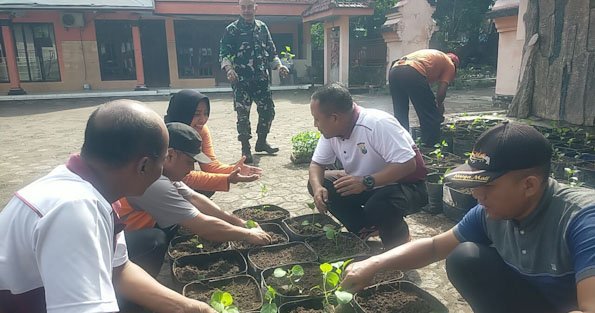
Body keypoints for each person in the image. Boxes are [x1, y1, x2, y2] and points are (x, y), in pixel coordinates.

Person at [341, 121, 595, 313]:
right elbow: (433, 248)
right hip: (536, 299)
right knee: (465, 258)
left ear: (528, 185)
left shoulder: (583, 220)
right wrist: (373, 264)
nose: (476, 195)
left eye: (488, 185)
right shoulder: (491, 212)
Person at [0, 100, 214, 313]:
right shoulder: (74, 210)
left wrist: (187, 306)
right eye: (163, 159)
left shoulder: (93, 190)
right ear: (144, 166)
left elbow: (119, 270)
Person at [117, 122, 272, 275]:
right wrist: (248, 235)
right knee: (155, 240)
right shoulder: (153, 182)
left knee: (174, 220)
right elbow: (203, 227)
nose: (191, 169)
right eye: (189, 162)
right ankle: (129, 285)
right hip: (113, 240)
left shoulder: (162, 171)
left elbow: (195, 198)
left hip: (133, 227)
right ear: (170, 155)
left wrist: (241, 223)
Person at [308, 83, 429, 249]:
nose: (315, 125)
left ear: (334, 118)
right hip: (368, 184)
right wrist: (317, 188)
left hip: (406, 185)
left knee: (380, 206)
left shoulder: (377, 123)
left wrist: (365, 182)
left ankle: (399, 242)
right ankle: (365, 228)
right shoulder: (332, 132)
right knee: (323, 183)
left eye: (317, 119)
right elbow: (317, 164)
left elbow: (408, 164)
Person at [219, 0, 289, 164]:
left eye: (250, 7)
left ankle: (261, 142)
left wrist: (279, 66)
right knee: (243, 116)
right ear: (239, 8)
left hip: (261, 80)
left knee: (268, 111)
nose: (247, 10)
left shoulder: (262, 27)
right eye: (243, 7)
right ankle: (245, 148)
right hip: (241, 82)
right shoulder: (232, 30)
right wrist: (229, 70)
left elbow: (272, 52)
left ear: (255, 8)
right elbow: (224, 53)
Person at [165, 89, 263, 196]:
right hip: (160, 185)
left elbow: (210, 165)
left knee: (207, 188)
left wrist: (233, 169)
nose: (203, 120)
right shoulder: (165, 135)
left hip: (180, 182)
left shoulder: (201, 130)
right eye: (197, 114)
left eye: (206, 113)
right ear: (182, 113)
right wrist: (227, 179)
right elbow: (183, 177)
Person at [389, 49, 460, 147]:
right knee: (430, 115)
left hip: (395, 70)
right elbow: (441, 91)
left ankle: (401, 144)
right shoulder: (450, 64)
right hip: (412, 70)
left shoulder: (434, 58)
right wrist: (437, 106)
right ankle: (430, 147)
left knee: (400, 112)